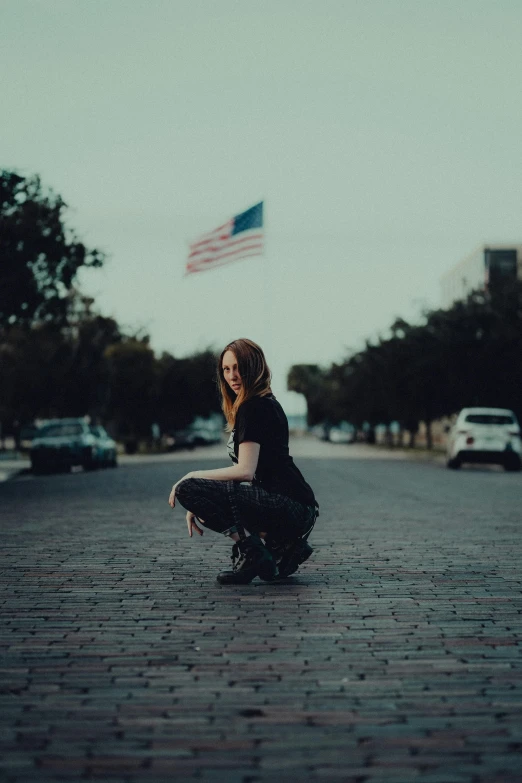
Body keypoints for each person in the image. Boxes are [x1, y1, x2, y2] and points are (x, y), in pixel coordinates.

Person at [168, 338, 318, 584]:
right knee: (204, 499)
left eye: (238, 367)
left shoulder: (253, 407)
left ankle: (254, 552)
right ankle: (274, 550)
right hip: (300, 508)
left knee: (189, 488)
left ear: (254, 367)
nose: (232, 376)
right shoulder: (268, 403)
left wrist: (193, 477)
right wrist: (205, 500)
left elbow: (245, 471)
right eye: (226, 369)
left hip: (288, 504)